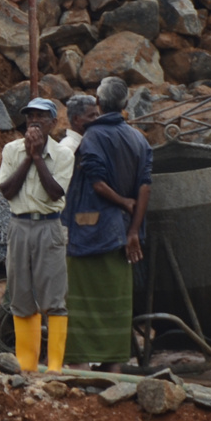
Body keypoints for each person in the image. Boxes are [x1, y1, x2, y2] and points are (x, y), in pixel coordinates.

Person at [63, 76, 152, 371]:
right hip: (122, 235)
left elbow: (98, 184)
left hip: (90, 232)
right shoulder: (139, 139)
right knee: (117, 303)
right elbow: (144, 187)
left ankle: (78, 363)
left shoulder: (92, 138)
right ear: (126, 104)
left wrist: (121, 202)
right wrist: (134, 230)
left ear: (99, 104)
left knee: (82, 301)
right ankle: (114, 366)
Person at [0, 97, 75, 372]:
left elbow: (55, 192)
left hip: (49, 227)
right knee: (21, 297)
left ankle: (54, 368)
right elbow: (7, 191)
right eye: (29, 118)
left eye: (40, 117)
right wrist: (28, 156)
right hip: (19, 225)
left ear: (53, 123)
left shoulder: (63, 155)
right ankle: (26, 366)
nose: (34, 122)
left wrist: (38, 156)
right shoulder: (12, 150)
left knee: (54, 299)